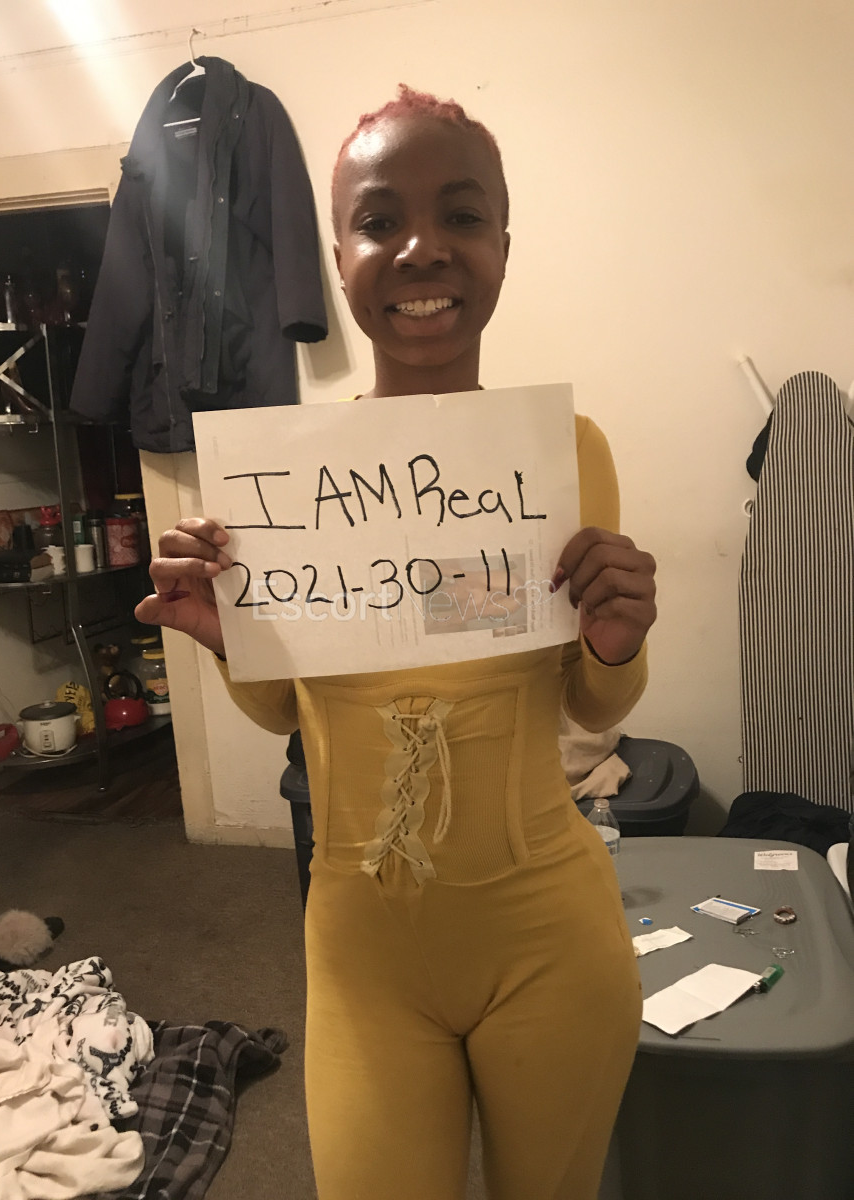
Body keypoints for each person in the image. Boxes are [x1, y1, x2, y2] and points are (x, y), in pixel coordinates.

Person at [136, 84, 657, 1200]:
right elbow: (287, 715)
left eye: (462, 216)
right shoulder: (284, 483)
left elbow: (594, 706)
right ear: (340, 257)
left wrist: (615, 642)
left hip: (551, 938)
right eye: (380, 221)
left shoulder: (568, 453)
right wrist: (233, 642)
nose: (423, 249)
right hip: (362, 955)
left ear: (504, 244)